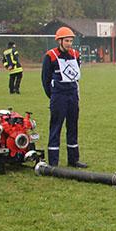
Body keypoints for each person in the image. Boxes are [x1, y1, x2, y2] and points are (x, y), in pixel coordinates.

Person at [41, 27, 87, 168]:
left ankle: (73, 159)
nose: (69, 44)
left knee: (73, 126)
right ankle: (53, 162)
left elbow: (76, 74)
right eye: (66, 41)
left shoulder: (75, 54)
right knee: (56, 127)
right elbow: (45, 79)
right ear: (59, 41)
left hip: (72, 94)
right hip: (58, 95)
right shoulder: (50, 56)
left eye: (71, 41)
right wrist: (53, 96)